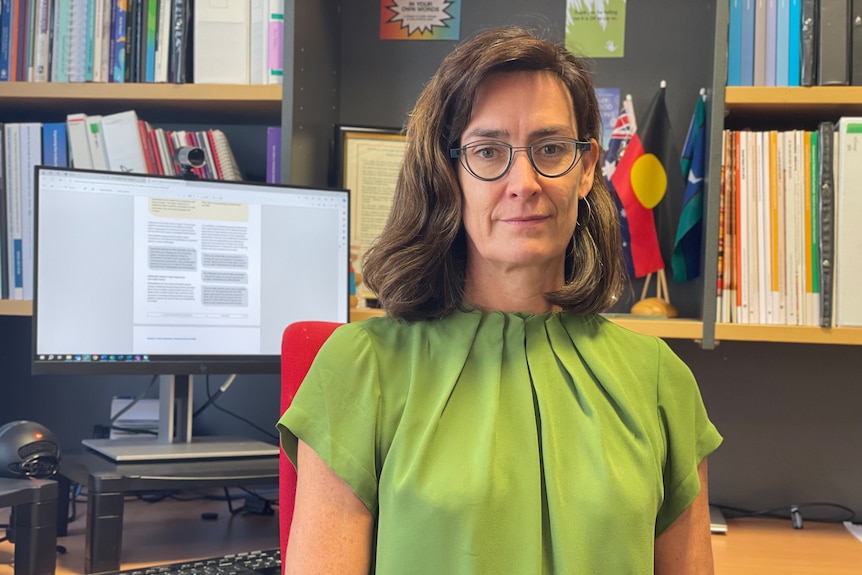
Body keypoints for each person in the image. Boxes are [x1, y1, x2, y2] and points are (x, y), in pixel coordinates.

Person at [278, 25, 722, 574]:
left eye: (551, 148)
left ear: (586, 170)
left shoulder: (661, 382)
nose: (524, 181)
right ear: (449, 173)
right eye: (488, 151)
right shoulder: (358, 369)